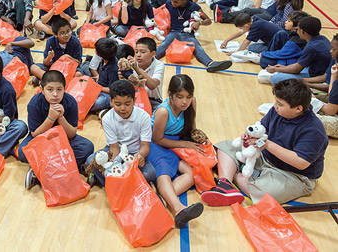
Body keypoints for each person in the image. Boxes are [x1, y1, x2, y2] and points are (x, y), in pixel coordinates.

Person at [203, 79, 328, 205]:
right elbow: (262, 129)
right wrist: (250, 136)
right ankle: (225, 185)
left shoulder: (313, 130)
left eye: (280, 104)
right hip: (265, 158)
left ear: (298, 108)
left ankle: (232, 175)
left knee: (266, 196)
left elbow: (300, 163)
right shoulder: (277, 111)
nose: (275, 106)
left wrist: (266, 144)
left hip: (293, 175)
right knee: (226, 147)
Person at [19, 70, 95, 188]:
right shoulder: (34, 104)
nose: (55, 94)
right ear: (42, 89)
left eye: (59, 89)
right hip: (42, 139)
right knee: (22, 152)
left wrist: (60, 117)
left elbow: (72, 134)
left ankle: (40, 171)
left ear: (65, 88)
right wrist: (50, 118)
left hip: (63, 138)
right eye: (50, 89)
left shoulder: (70, 102)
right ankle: (67, 166)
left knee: (87, 147)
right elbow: (35, 134)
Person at [148, 74, 205, 227]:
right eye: (180, 97)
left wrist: (197, 139)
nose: (185, 101)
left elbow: (192, 128)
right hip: (159, 144)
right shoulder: (163, 111)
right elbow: (157, 139)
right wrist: (185, 145)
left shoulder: (191, 103)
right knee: (164, 172)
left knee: (193, 173)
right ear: (170, 94)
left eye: (188, 96)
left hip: (178, 142)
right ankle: (179, 208)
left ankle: (162, 198)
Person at [85, 80, 155, 186]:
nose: (122, 108)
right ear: (111, 101)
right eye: (117, 104)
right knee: (91, 160)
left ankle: (113, 182)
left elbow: (145, 146)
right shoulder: (107, 118)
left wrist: (140, 156)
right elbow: (114, 148)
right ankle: (126, 183)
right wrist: (111, 165)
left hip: (133, 154)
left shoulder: (144, 117)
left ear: (134, 101)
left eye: (127, 104)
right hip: (114, 151)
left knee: (150, 174)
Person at [156, 0, 232, 73]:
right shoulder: (168, 4)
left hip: (187, 34)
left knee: (198, 48)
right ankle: (147, 61)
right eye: (171, 0)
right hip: (173, 32)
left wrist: (199, 22)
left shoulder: (194, 7)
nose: (172, 3)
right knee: (164, 45)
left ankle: (210, 64)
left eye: (175, 2)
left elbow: (208, 21)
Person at [266, 16, 332, 85]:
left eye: (298, 29)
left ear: (302, 31)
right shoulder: (323, 39)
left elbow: (296, 69)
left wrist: (276, 69)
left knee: (275, 79)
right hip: (314, 69)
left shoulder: (312, 46)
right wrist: (284, 68)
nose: (297, 31)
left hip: (315, 76)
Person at [30, 17, 82, 85]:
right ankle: (58, 82)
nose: (66, 35)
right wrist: (49, 57)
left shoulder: (76, 42)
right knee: (33, 67)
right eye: (62, 33)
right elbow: (46, 63)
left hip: (70, 68)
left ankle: (47, 80)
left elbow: (78, 63)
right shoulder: (50, 41)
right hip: (54, 67)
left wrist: (68, 58)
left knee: (78, 74)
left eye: (68, 31)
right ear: (55, 34)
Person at [88, 38, 119, 114]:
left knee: (99, 103)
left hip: (106, 93)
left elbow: (112, 90)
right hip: (99, 85)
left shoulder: (113, 69)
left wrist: (98, 88)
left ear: (98, 54)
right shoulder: (104, 59)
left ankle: (105, 109)